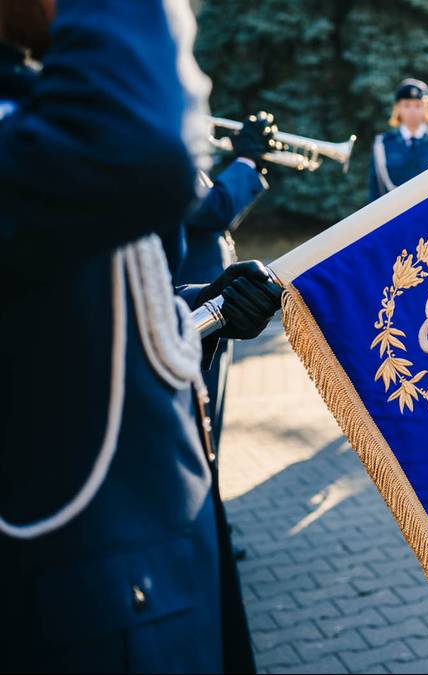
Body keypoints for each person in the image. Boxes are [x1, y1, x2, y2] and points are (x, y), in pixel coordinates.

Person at [0, 0, 280, 671]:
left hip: (150, 576)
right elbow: (142, 148)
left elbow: (59, 315)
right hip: (90, 610)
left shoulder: (29, 107)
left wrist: (202, 311)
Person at [177, 111, 274, 453]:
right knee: (197, 424)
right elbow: (211, 209)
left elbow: (218, 221)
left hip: (204, 300)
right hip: (191, 304)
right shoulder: (146, 143)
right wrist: (246, 160)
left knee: (206, 423)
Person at [368, 78, 428, 202]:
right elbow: (376, 190)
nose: (412, 110)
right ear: (398, 108)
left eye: (418, 105)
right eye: (407, 105)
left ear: (426, 107)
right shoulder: (383, 145)